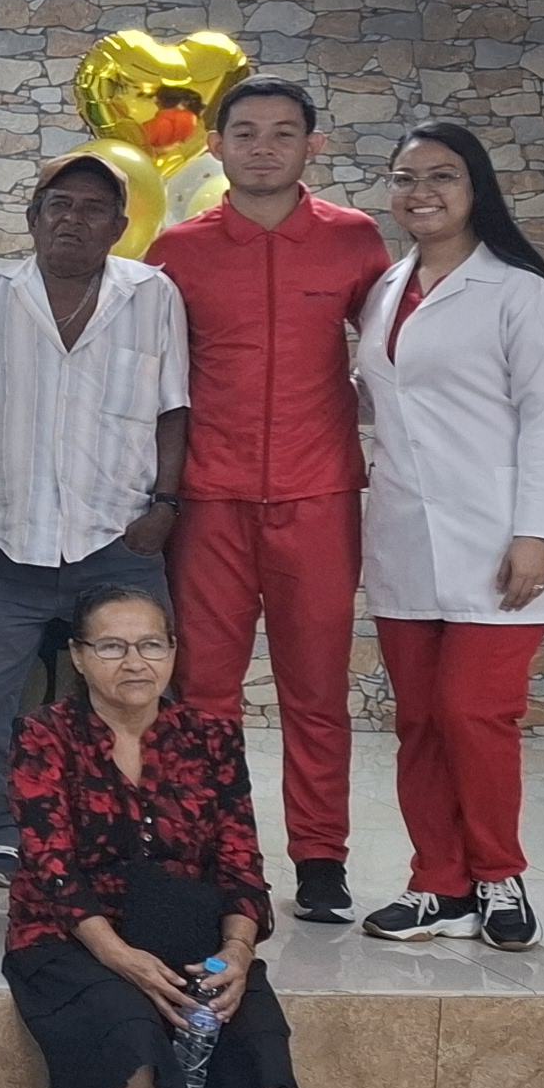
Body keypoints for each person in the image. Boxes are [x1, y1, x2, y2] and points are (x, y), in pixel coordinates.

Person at [147, 78, 390, 925]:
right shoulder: (178, 251)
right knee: (203, 690)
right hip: (208, 498)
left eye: (283, 133)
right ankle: (212, 851)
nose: (263, 148)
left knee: (315, 688)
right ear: (214, 145)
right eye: (245, 132)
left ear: (312, 147)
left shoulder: (355, 240)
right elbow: (149, 377)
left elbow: (400, 354)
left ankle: (321, 858)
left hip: (319, 493)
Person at [7, 584, 291, 1088]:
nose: (134, 662)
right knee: (128, 1030)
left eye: (151, 645)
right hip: (72, 934)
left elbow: (241, 861)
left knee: (256, 1033)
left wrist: (236, 950)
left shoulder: (212, 738)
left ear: (172, 652)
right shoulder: (45, 734)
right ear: (78, 656)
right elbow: (51, 864)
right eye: (111, 646)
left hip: (188, 929)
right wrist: (118, 954)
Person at [0, 155, 191, 882]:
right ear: (34, 217)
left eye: (93, 208)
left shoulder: (153, 296)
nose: (74, 219)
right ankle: (1, 829)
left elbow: (172, 410)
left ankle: (128, 832)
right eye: (59, 205)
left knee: (139, 692)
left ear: (119, 226)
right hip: (6, 542)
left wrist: (165, 505)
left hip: (118, 539)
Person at [354, 120, 544, 953]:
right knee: (419, 719)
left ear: (475, 187)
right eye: (405, 177)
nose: (422, 192)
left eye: (442, 176)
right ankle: (438, 885)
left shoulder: (519, 292)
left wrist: (536, 532)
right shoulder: (385, 289)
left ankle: (497, 875)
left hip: (501, 536)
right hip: (406, 533)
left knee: (473, 712)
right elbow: (385, 400)